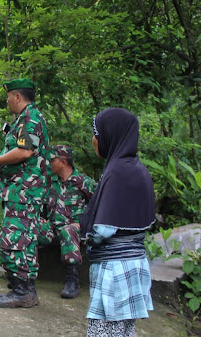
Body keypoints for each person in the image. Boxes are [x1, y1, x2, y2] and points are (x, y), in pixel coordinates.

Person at [80, 108, 155, 336]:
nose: (94, 140)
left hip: (114, 270)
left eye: (96, 133)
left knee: (103, 331)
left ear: (109, 134)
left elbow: (104, 228)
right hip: (135, 264)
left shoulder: (117, 172)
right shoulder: (138, 169)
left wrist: (84, 234)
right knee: (123, 331)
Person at [0, 78, 50, 308]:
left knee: (14, 239)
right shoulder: (25, 118)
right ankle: (25, 289)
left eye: (9, 96)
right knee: (25, 239)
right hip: (21, 191)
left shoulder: (31, 118)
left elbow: (24, 151)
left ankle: (22, 292)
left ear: (17, 97)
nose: (7, 100)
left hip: (24, 192)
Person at [38, 145, 96, 299]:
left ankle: (72, 280)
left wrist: (84, 224)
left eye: (52, 161)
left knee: (68, 230)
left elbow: (100, 208)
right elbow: (43, 206)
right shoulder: (51, 183)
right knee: (29, 226)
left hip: (75, 231)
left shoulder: (84, 183)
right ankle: (24, 276)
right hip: (53, 229)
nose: (48, 164)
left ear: (63, 162)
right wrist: (40, 217)